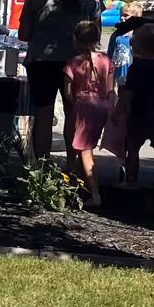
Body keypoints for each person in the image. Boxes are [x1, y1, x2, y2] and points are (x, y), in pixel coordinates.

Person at [17, 0, 100, 163]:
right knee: (74, 114)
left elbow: (24, 35)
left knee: (43, 113)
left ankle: (41, 170)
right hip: (77, 61)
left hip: (41, 62)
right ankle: (72, 168)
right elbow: (95, 33)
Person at [112, 21, 154, 190]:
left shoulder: (136, 68)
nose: (131, 43)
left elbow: (128, 93)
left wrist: (118, 112)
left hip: (139, 114)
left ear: (140, 46)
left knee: (133, 148)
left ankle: (131, 181)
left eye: (134, 40)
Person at [62, 20, 115, 209]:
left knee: (84, 151)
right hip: (102, 105)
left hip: (84, 106)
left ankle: (95, 194)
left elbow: (68, 93)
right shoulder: (106, 60)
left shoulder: (73, 63)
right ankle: (75, 186)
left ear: (75, 39)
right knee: (84, 146)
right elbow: (110, 89)